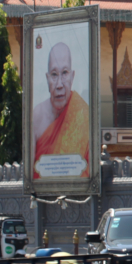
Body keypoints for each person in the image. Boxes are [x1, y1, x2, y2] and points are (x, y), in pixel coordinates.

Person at [31, 40, 91, 179]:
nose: (59, 85)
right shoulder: (37, 116)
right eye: (54, 74)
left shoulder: (84, 115)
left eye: (64, 73)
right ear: (47, 78)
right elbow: (29, 172)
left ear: (72, 76)